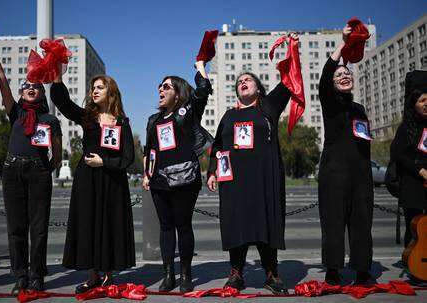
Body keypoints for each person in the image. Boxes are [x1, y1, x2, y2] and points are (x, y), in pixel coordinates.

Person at [206, 34, 299, 295]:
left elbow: (291, 79)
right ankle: (236, 274)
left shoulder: (268, 107)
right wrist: (212, 172)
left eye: (248, 80)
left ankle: (271, 273)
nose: (243, 83)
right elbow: (217, 146)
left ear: (258, 88)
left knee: (264, 222)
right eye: (239, 82)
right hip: (233, 181)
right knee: (236, 224)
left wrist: (292, 48)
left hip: (263, 178)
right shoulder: (229, 115)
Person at [0, 30, 63, 294]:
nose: (31, 88)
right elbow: (2, 80)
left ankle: (37, 274)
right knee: (16, 227)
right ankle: (20, 274)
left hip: (39, 173)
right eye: (27, 86)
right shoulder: (16, 111)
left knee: (39, 228)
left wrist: (44, 168)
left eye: (36, 87)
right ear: (21, 93)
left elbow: (58, 154)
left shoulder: (51, 120)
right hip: (12, 171)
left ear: (42, 94)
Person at [51, 73, 135, 294]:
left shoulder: (122, 122)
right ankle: (92, 275)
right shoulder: (87, 116)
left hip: (112, 182)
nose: (94, 91)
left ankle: (108, 273)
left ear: (111, 92)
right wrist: (58, 78)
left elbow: (128, 158)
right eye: (93, 88)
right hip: (87, 180)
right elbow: (63, 103)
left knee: (109, 224)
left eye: (100, 87)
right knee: (89, 224)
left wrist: (104, 162)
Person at [142, 61, 212, 292]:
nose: (161, 90)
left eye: (167, 87)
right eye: (160, 87)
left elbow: (202, 92)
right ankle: (168, 274)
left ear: (178, 93)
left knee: (183, 225)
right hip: (159, 180)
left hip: (185, 178)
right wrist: (146, 175)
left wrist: (200, 67)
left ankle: (186, 275)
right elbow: (149, 151)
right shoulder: (153, 120)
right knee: (165, 227)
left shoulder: (187, 112)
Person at [317, 24, 374, 285]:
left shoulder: (359, 108)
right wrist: (342, 44)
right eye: (339, 74)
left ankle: (363, 270)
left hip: (361, 174)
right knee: (334, 223)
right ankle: (333, 269)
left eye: (347, 73)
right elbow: (327, 74)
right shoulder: (330, 103)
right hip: (334, 174)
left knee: (362, 223)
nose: (343, 76)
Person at [390, 70, 427, 249]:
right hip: (413, 185)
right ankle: (413, 263)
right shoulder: (406, 127)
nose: (426, 104)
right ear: (414, 104)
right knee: (414, 229)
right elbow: (400, 155)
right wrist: (421, 171)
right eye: (422, 101)